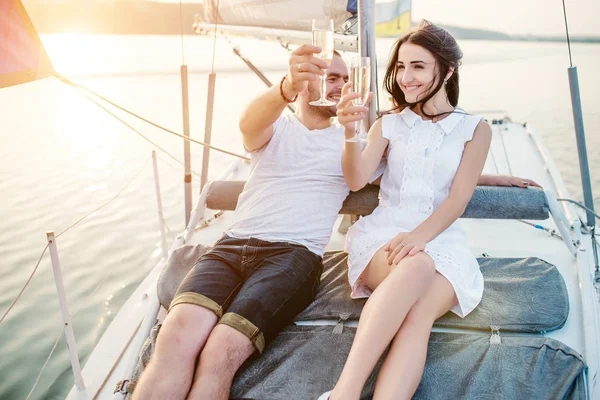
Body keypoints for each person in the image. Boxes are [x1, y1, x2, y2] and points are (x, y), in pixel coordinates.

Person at [133, 40, 539, 400]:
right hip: (239, 244)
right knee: (177, 334)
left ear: (446, 71)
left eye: (344, 78)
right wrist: (288, 89)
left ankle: (344, 393)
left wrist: (490, 177)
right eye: (327, 75)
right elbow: (251, 125)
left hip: (299, 255)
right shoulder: (288, 128)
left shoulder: (369, 135)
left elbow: (428, 170)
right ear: (305, 80)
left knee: (223, 348)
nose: (338, 84)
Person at [318, 21, 498, 400]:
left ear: (447, 70)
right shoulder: (389, 124)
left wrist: (420, 237)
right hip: (384, 237)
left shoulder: (475, 129)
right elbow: (356, 179)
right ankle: (345, 393)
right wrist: (350, 131)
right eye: (400, 66)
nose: (405, 77)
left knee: (417, 316)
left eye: (417, 66)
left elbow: (458, 198)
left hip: (442, 242)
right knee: (416, 264)